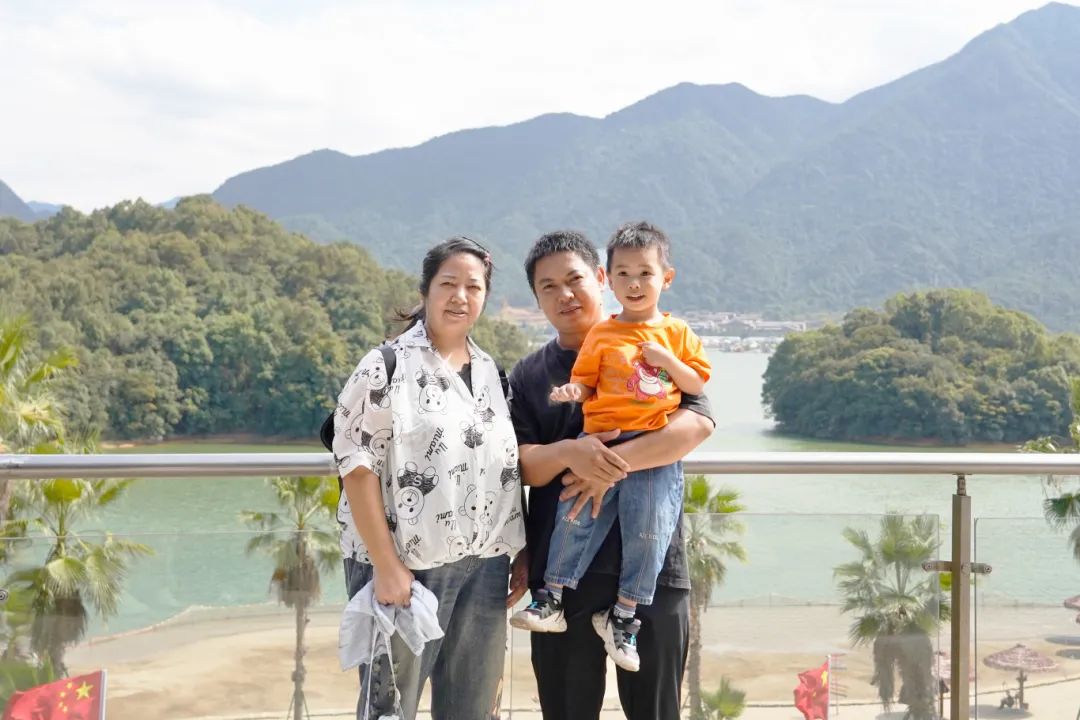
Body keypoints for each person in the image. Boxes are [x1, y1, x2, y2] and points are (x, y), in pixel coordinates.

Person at [507, 228, 714, 720]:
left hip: (653, 573)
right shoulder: (529, 375)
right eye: (548, 286)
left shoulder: (657, 343)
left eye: (574, 279)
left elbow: (697, 424)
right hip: (561, 581)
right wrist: (570, 452)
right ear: (536, 297)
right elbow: (522, 466)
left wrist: (605, 468)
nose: (564, 294)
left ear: (601, 278)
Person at [333, 236, 526, 720]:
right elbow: (356, 468)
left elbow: (503, 470)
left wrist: (520, 550)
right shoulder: (386, 366)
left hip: (485, 566)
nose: (461, 296)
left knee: (472, 709)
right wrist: (386, 565)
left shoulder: (491, 373)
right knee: (390, 708)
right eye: (448, 284)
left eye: (473, 287)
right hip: (406, 565)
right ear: (425, 291)